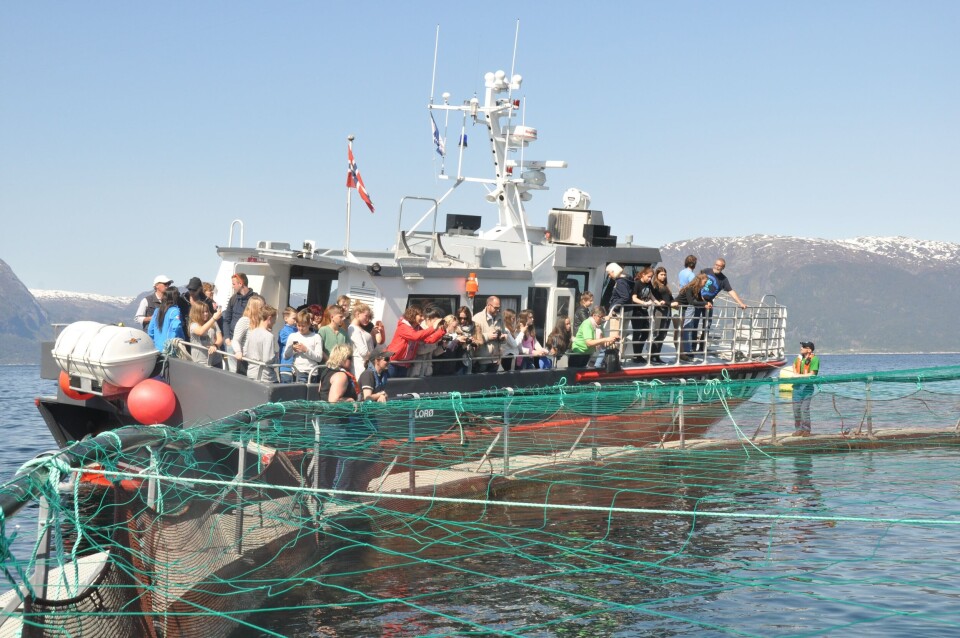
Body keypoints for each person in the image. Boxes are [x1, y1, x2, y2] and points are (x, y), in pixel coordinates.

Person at [385, 305, 446, 378]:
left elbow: (429, 339)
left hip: (404, 363)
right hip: (393, 363)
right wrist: (433, 327)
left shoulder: (418, 328)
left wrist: (442, 330)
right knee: (389, 385)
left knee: (399, 386)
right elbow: (415, 336)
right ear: (413, 315)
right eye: (420, 316)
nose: (423, 318)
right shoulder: (403, 326)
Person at [222, 273, 256, 372]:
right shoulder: (233, 299)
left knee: (246, 371)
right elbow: (226, 319)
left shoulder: (255, 299)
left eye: (234, 284)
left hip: (247, 344)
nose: (232, 286)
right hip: (232, 341)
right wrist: (227, 337)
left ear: (241, 283)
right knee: (233, 372)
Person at [676, 273, 712, 361]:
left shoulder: (697, 289)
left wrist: (707, 303)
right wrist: (704, 304)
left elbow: (699, 299)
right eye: (705, 281)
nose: (705, 283)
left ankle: (682, 353)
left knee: (680, 331)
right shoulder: (690, 288)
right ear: (699, 280)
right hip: (676, 308)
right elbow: (691, 302)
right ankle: (681, 353)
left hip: (683, 309)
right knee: (679, 331)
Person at [283, 309, 326, 382]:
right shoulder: (293, 336)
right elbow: (285, 356)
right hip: (298, 372)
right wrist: (292, 349)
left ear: (309, 324)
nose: (300, 328)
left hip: (313, 372)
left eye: (303, 326)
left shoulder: (316, 337)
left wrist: (306, 350)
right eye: (298, 325)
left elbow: (319, 358)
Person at [650, 266, 679, 365]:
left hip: (667, 312)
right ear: (657, 275)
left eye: (665, 275)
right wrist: (670, 304)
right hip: (660, 311)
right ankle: (652, 356)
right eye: (661, 275)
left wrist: (675, 304)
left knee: (663, 335)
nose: (663, 277)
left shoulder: (666, 286)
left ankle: (657, 356)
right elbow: (658, 300)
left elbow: (671, 298)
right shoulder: (655, 286)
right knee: (657, 333)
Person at [792, 341, 820, 436]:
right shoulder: (798, 359)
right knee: (796, 409)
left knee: (804, 409)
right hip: (797, 387)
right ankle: (798, 429)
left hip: (807, 388)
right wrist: (796, 375)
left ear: (809, 350)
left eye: (803, 347)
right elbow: (794, 371)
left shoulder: (814, 359)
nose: (801, 348)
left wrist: (799, 376)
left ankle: (806, 430)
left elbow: (812, 374)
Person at [231, 295, 265, 375]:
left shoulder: (261, 323)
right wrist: (238, 351)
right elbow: (235, 339)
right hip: (245, 360)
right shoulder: (245, 321)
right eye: (261, 308)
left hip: (258, 360)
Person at [473, 296, 507, 373]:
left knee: (493, 384)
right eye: (495, 307)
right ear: (488, 305)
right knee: (480, 384)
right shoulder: (477, 318)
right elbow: (473, 338)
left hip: (495, 360)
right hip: (481, 360)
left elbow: (504, 335)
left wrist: (503, 337)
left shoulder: (500, 317)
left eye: (499, 308)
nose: (498, 310)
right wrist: (487, 337)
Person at [245, 305, 278, 382]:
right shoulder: (269, 336)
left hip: (251, 373)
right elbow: (267, 359)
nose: (274, 322)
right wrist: (276, 357)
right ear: (269, 318)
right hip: (265, 376)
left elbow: (245, 352)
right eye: (274, 319)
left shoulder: (252, 332)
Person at [629, 267, 655, 362]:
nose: (649, 279)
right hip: (636, 311)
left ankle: (639, 353)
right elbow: (634, 298)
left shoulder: (648, 284)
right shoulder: (637, 284)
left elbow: (651, 294)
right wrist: (644, 303)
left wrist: (656, 301)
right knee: (637, 333)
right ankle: (636, 356)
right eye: (648, 277)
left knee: (645, 333)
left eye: (651, 277)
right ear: (643, 274)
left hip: (644, 311)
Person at [188, 301, 224, 367]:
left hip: (216, 360)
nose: (206, 314)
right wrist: (214, 318)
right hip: (200, 362)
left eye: (207, 311)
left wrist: (215, 345)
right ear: (196, 313)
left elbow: (220, 338)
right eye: (203, 312)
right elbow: (201, 331)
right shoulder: (193, 325)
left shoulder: (213, 323)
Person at [605, 263, 633, 342]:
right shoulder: (628, 280)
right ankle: (620, 352)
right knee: (622, 335)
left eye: (609, 273)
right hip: (628, 309)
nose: (609, 276)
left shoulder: (620, 282)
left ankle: (614, 352)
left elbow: (625, 297)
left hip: (619, 311)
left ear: (613, 271)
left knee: (614, 336)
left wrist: (614, 307)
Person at [348, 302, 378, 374]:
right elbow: (363, 352)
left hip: (366, 365)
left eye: (369, 317)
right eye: (366, 316)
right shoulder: (353, 329)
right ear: (357, 314)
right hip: (360, 366)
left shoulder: (358, 328)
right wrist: (377, 357)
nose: (368, 319)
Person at [277, 307, 299, 382]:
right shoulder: (283, 332)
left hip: (296, 367)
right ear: (286, 319)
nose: (296, 321)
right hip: (286, 366)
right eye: (294, 319)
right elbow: (291, 343)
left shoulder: (297, 330)